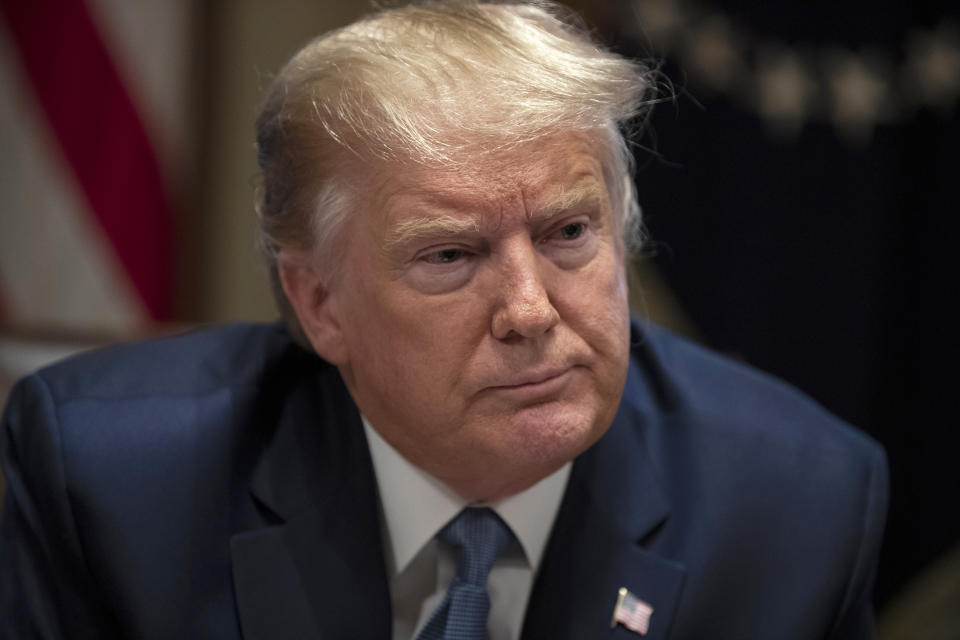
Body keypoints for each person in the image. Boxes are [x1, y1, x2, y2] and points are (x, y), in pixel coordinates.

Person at [0, 2, 887, 639]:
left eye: (570, 232)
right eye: (450, 257)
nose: (532, 311)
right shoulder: (112, 485)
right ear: (318, 303)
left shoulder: (795, 507)